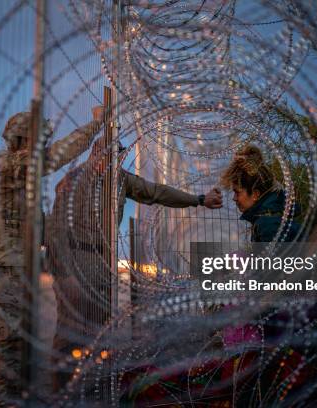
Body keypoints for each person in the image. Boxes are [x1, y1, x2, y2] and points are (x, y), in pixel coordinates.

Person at [46, 139, 223, 392]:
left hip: (102, 262)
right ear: (96, 154)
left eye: (118, 158)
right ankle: (58, 391)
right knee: (69, 329)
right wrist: (62, 272)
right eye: (110, 158)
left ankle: (92, 388)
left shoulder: (119, 180)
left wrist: (199, 199)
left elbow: (156, 192)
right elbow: (55, 231)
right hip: (75, 261)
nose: (115, 163)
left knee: (99, 330)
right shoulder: (74, 181)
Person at [0, 107, 105, 408]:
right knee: (10, 346)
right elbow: (58, 155)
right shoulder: (18, 164)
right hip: (8, 267)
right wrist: (96, 123)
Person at [219, 145, 301, 242]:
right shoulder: (271, 216)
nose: (234, 198)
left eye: (237, 192)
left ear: (255, 194)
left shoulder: (269, 225)